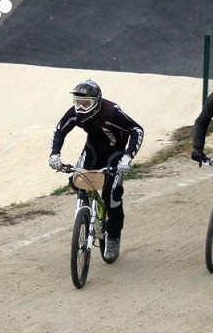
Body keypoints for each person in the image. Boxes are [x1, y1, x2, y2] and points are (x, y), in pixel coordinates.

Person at [48, 79, 144, 261]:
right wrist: (55, 155)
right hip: (92, 150)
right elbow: (60, 131)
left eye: (86, 104)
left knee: (112, 196)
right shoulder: (76, 113)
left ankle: (113, 236)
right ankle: (85, 214)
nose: (81, 108)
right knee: (78, 181)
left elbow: (137, 130)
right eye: (77, 103)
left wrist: (127, 158)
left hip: (116, 155)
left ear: (97, 102)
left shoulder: (111, 112)